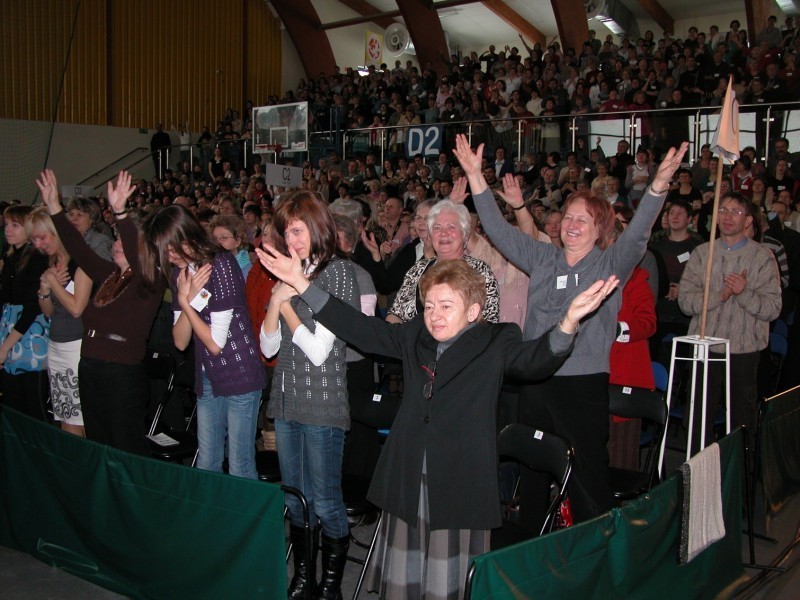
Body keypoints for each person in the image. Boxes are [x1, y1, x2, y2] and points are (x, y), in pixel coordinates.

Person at [257, 251, 618, 599]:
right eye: (429, 306)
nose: (434, 315)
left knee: (447, 581)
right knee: (405, 578)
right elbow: (359, 328)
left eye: (446, 306)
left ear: (474, 311)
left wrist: (568, 322)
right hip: (409, 471)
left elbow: (534, 361)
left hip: (459, 481)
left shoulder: (496, 340)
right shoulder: (414, 336)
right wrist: (302, 284)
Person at [453, 132, 689, 526]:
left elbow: (640, 232)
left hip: (582, 386)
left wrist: (658, 185)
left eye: (585, 219)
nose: (573, 225)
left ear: (600, 230)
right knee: (532, 471)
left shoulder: (610, 264)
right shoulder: (543, 256)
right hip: (535, 381)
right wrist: (477, 177)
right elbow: (497, 228)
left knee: (585, 476)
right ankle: (530, 545)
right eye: (570, 217)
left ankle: (593, 551)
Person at [258, 190, 360, 600]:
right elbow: (267, 349)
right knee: (296, 499)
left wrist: (283, 304)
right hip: (286, 403)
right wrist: (277, 300)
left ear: (317, 227)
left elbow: (320, 353)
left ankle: (331, 586)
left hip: (322, 406)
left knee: (326, 502)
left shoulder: (337, 273)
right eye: (286, 233)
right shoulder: (288, 275)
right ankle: (304, 578)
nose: (292, 241)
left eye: (298, 231)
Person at [37, 169, 164, 455]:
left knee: (123, 444)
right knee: (97, 440)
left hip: (121, 373)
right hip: (90, 365)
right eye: (117, 237)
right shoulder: (108, 274)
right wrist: (55, 207)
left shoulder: (150, 281)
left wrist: (120, 212)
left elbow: (135, 252)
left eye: (122, 239)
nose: (116, 242)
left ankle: (131, 496)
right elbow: (77, 248)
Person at [140, 205, 265, 478]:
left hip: (239, 373)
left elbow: (216, 343)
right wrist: (188, 302)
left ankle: (245, 520)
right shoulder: (180, 274)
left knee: (239, 464)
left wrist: (186, 301)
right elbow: (181, 340)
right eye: (165, 252)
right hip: (208, 375)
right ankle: (213, 517)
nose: (170, 257)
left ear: (187, 237)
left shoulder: (221, 264)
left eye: (172, 249)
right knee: (207, 459)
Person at [678, 193, 781, 458]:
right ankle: (693, 482)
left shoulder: (762, 256)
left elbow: (772, 309)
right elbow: (686, 302)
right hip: (704, 348)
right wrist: (719, 296)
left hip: (743, 351)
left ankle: (740, 483)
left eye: (735, 211)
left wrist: (743, 292)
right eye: (722, 210)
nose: (727, 216)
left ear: (748, 219)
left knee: (742, 424)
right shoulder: (703, 253)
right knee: (697, 422)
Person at [386, 199, 499, 324]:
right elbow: (395, 314)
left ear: (465, 235)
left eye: (451, 227)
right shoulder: (418, 269)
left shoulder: (480, 271)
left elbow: (488, 323)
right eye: (437, 228)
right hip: (412, 341)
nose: (443, 233)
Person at [30, 208, 92, 436]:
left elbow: (77, 308)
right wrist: (44, 290)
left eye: (42, 237)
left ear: (56, 233)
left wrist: (53, 283)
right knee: (65, 414)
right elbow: (49, 312)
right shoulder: (53, 263)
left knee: (79, 416)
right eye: (34, 239)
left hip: (77, 347)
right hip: (55, 345)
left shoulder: (80, 263)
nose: (38, 244)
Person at [0, 205, 50, 420]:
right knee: (13, 402)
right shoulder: (11, 257)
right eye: (6, 224)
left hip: (28, 334)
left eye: (15, 225)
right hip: (10, 329)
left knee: (33, 405)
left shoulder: (37, 258)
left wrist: (6, 346)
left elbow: (32, 308)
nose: (8, 229)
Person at [209, 214, 253, 280]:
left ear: (238, 241)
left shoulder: (247, 270)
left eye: (224, 238)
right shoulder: (210, 263)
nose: (218, 242)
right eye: (214, 238)